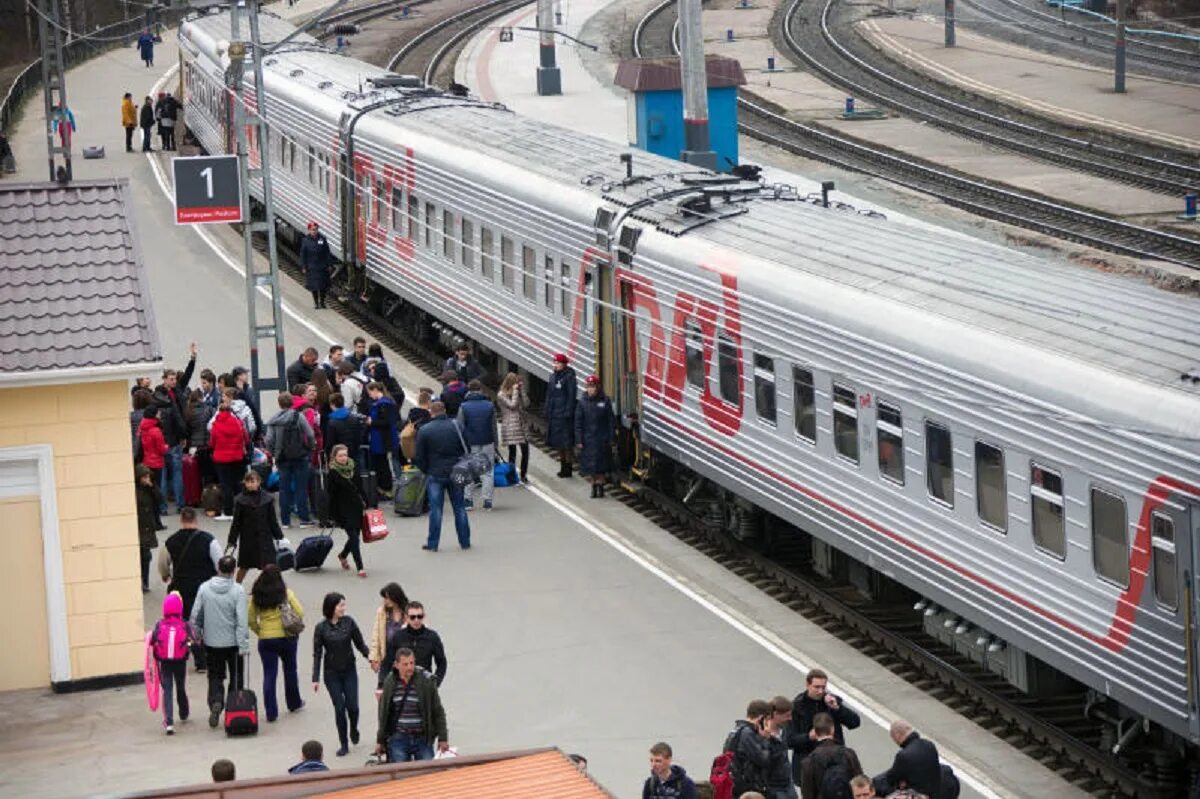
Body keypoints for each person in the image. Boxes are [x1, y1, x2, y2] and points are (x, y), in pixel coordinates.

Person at [190, 555, 249, 728]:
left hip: (212, 642)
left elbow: (196, 615)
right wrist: (244, 644)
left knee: (215, 675)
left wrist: (197, 635)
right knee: (236, 676)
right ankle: (234, 707)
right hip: (233, 643)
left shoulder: (204, 588)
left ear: (218, 568)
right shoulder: (238, 590)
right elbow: (241, 621)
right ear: (233, 571)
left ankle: (216, 701)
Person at [158, 508, 220, 671]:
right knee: (208, 621)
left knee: (188, 624)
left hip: (181, 588)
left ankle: (200, 659)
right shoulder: (209, 540)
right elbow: (219, 563)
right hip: (206, 587)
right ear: (196, 520)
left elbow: (163, 564)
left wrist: (166, 576)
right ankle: (212, 655)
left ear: (181, 520)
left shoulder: (170, 541)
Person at [312, 592, 370, 756]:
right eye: (340, 605)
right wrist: (315, 678)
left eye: (344, 605)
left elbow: (360, 644)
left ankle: (354, 728)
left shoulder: (349, 622)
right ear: (332, 607)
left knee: (353, 706)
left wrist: (370, 658)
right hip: (332, 673)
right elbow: (317, 653)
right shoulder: (321, 628)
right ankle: (343, 743)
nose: (344, 608)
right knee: (339, 707)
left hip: (349, 670)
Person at [247, 565, 305, 723]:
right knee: (290, 670)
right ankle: (294, 703)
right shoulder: (286, 593)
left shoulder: (256, 596)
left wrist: (261, 632)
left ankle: (271, 712)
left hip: (267, 639)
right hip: (287, 637)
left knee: (269, 675)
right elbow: (300, 612)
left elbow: (251, 619)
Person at [413, 401, 471, 552]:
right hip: (456, 471)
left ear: (431, 412)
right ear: (444, 410)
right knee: (459, 507)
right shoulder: (457, 426)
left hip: (435, 473)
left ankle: (433, 543)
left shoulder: (425, 430)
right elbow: (467, 447)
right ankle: (464, 541)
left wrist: (427, 469)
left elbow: (419, 456)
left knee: (436, 509)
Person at [375, 648, 449, 763]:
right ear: (396, 665)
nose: (409, 667)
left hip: (422, 738)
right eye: (405, 664)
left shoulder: (426, 682)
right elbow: (383, 714)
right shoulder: (389, 683)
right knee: (402, 777)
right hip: (398, 739)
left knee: (428, 775)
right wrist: (380, 741)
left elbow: (438, 711)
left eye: (412, 663)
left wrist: (443, 738)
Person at [789, 669, 862, 786]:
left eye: (823, 687)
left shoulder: (832, 701)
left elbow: (855, 723)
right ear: (807, 685)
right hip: (809, 763)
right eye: (816, 687)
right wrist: (808, 737)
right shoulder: (797, 707)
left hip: (834, 762)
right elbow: (789, 740)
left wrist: (837, 708)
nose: (820, 691)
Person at [153, 347, 198, 513]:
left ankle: (178, 504)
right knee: (165, 474)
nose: (173, 381)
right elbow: (175, 418)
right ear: (164, 380)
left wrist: (192, 359)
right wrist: (183, 434)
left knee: (174, 473)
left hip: (173, 438)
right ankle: (165, 506)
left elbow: (187, 375)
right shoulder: (160, 395)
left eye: (174, 379)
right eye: (170, 379)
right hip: (167, 439)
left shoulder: (175, 390)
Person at [266, 393, 316, 530]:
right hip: (300, 456)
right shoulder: (298, 416)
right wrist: (310, 448)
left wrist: (273, 453)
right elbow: (310, 434)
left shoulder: (273, 420)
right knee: (301, 488)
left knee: (284, 489)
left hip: (282, 457)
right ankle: (304, 519)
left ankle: (285, 521)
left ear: (279, 404)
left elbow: (268, 440)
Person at [227, 470, 284, 584]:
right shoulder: (240, 500)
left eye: (253, 481)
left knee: (268, 567)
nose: (251, 484)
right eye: (248, 482)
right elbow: (236, 523)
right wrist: (232, 540)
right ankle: (236, 586)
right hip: (248, 539)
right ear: (245, 483)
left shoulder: (267, 499)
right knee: (244, 566)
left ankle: (271, 588)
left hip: (265, 538)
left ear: (259, 482)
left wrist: (279, 536)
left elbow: (272, 520)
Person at [378, 600, 446, 689]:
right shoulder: (398, 637)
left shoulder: (432, 637)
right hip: (401, 687)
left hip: (424, 687)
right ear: (406, 617)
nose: (416, 620)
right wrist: (381, 684)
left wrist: (435, 683)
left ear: (424, 616)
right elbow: (387, 662)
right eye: (412, 617)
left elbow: (442, 663)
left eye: (419, 616)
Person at [150, 591, 193, 734]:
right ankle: (184, 711)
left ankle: (169, 722)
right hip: (180, 661)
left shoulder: (159, 624)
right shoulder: (184, 624)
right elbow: (192, 639)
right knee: (180, 686)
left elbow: (153, 640)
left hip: (165, 662)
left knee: (167, 689)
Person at [799, 712, 863, 799]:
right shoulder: (848, 754)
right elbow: (860, 783)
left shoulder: (809, 761)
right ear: (832, 729)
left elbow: (808, 794)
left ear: (814, 732)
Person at [208, 389, 249, 521]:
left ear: (219, 411)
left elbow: (212, 443)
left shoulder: (216, 425)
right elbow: (246, 439)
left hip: (221, 458)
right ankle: (241, 509)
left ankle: (228, 512)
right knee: (238, 484)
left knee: (226, 486)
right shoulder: (238, 423)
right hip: (237, 457)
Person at [873, 721, 941, 799]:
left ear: (897, 735)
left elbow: (891, 778)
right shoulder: (929, 744)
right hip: (935, 791)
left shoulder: (903, 755)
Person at [328, 444, 367, 577]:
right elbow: (330, 495)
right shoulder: (333, 472)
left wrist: (368, 502)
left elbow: (360, 486)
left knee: (355, 537)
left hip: (356, 507)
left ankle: (343, 555)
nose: (344, 458)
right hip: (342, 509)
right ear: (335, 457)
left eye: (345, 455)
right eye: (340, 455)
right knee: (354, 538)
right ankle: (360, 567)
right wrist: (331, 515)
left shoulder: (353, 467)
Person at [457, 379, 496, 510]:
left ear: (469, 390)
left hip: (470, 443)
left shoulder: (463, 406)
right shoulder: (489, 405)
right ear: (481, 390)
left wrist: (460, 445)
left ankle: (468, 501)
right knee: (488, 472)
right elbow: (493, 427)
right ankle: (487, 502)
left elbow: (460, 427)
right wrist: (495, 443)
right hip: (487, 441)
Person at [575, 374, 615, 498]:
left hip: (602, 439)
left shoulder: (605, 401)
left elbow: (610, 421)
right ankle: (593, 486)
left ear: (597, 387)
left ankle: (601, 486)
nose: (590, 389)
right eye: (588, 386)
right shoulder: (582, 403)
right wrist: (579, 439)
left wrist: (611, 437)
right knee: (591, 466)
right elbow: (578, 422)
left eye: (592, 386)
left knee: (601, 466)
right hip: (588, 439)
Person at [727, 700, 773, 798]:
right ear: (761, 718)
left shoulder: (736, 730)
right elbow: (763, 759)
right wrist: (765, 739)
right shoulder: (748, 733)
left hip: (734, 782)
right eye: (767, 720)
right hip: (745, 785)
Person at [366, 381, 399, 499]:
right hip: (380, 438)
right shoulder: (384, 403)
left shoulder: (383, 404)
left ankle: (386, 488)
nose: (370, 395)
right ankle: (384, 487)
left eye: (370, 392)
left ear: (375, 390)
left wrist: (371, 422)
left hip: (381, 439)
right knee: (381, 463)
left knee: (382, 464)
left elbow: (385, 422)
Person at [545, 353, 577, 477]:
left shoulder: (569, 377)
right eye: (555, 363)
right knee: (559, 443)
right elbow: (549, 394)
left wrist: (568, 412)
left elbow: (571, 396)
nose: (556, 365)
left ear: (564, 364)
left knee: (566, 443)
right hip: (555, 415)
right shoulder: (553, 377)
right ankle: (562, 466)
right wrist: (547, 409)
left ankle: (568, 468)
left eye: (558, 363)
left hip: (564, 416)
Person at [496, 373, 530, 484]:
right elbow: (512, 405)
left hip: (520, 425)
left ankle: (523, 475)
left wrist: (522, 391)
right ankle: (511, 476)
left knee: (525, 451)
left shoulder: (517, 392)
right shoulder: (501, 394)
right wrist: (515, 391)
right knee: (512, 452)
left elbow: (526, 404)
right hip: (510, 426)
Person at [368, 582, 408, 674]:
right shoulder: (381, 612)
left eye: (387, 598)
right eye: (384, 598)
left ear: (395, 597)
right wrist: (374, 659)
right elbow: (376, 636)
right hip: (387, 658)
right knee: (384, 686)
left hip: (405, 659)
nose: (385, 601)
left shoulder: (409, 612)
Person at [135, 465, 164, 592]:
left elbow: (160, 499)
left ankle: (145, 582)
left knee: (146, 556)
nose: (147, 479)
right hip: (140, 526)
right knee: (141, 555)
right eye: (144, 477)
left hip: (147, 527)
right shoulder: (135, 490)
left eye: (148, 476)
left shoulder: (150, 489)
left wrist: (152, 486)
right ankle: (141, 581)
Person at [765, 697, 798, 799]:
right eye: (786, 716)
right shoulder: (763, 736)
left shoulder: (784, 730)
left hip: (787, 784)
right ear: (775, 714)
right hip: (773, 788)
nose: (790, 718)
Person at [138, 407, 170, 514]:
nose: (160, 415)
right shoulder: (156, 431)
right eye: (158, 413)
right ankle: (157, 514)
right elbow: (162, 450)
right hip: (156, 463)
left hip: (146, 461)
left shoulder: (142, 429)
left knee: (149, 489)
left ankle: (151, 513)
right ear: (154, 415)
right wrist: (166, 447)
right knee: (156, 490)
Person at [301, 222, 333, 309]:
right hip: (312, 267)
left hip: (322, 266)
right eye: (313, 230)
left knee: (323, 286)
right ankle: (316, 303)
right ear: (309, 230)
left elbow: (327, 252)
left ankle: (322, 302)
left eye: (316, 229)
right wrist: (304, 266)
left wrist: (329, 264)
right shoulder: (305, 240)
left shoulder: (322, 239)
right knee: (314, 286)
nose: (314, 231)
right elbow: (303, 254)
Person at [186, 387, 215, 485]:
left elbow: (187, 430)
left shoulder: (188, 411)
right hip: (206, 445)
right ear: (201, 398)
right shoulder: (208, 409)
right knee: (208, 472)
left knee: (196, 472)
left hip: (193, 446)